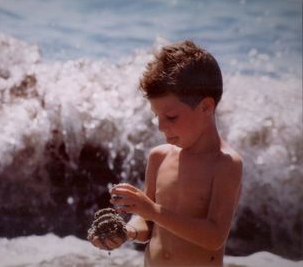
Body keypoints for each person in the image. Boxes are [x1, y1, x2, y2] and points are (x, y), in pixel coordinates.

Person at [88, 40, 243, 267]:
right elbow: (147, 224)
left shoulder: (225, 164)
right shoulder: (159, 158)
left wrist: (151, 210)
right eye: (156, 116)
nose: (160, 126)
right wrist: (128, 231)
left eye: (170, 117)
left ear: (205, 107)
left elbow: (214, 237)